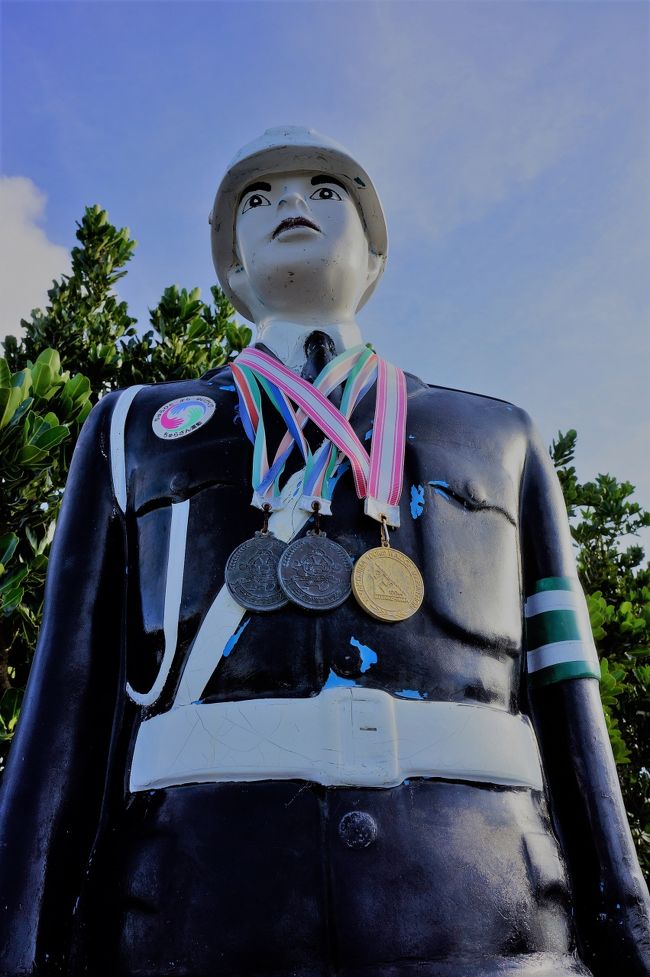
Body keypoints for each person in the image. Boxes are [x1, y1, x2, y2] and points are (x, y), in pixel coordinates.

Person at [0, 126, 648, 977]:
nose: (292, 204)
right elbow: (66, 711)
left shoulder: (500, 435)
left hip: (489, 928)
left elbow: (570, 706)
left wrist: (628, 923)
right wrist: (16, 941)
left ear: (374, 254)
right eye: (259, 199)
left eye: (326, 190)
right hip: (196, 925)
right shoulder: (134, 431)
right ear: (230, 266)